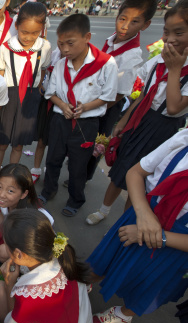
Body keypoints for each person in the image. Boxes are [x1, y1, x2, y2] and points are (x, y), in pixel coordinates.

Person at [87, 1, 188, 225]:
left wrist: (174, 70)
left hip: (163, 129)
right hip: (141, 118)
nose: (170, 39)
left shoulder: (176, 66)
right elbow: (143, 94)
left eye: (179, 32)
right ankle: (103, 210)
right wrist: (124, 119)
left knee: (140, 179)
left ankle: (124, 224)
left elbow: (173, 107)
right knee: (121, 167)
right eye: (166, 32)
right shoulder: (158, 59)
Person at [88, 128, 188, 323]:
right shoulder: (183, 138)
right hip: (143, 212)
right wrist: (143, 214)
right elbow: (136, 172)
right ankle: (82, 283)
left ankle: (123, 314)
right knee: (104, 260)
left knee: (149, 285)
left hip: (176, 242)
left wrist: (156, 236)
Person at [84, 0, 155, 225]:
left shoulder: (132, 54)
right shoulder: (110, 41)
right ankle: (81, 169)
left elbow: (121, 92)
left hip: (107, 107)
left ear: (145, 25)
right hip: (95, 100)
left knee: (98, 143)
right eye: (122, 19)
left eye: (134, 22)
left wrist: (96, 106)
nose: (125, 26)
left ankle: (85, 174)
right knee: (87, 140)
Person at [40, 14, 118, 217]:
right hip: (60, 119)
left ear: (87, 37)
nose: (64, 49)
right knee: (53, 159)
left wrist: (86, 107)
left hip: (87, 122)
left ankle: (76, 199)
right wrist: (63, 105)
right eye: (61, 43)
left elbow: (108, 97)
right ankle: (49, 189)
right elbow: (51, 93)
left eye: (70, 43)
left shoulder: (106, 64)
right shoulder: (60, 65)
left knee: (78, 165)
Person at [0, 209, 94, 323]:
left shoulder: (31, 295)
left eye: (7, 245)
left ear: (18, 254)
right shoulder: (63, 258)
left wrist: (9, 284)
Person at [0, 2, 52, 187]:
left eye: (35, 33)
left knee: (18, 144)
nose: (29, 37)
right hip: (9, 96)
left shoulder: (45, 47)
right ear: (16, 25)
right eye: (25, 32)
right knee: (2, 142)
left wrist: (39, 88)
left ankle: (11, 176)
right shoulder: (6, 48)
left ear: (42, 29)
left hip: (30, 98)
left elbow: (43, 70)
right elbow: (0, 74)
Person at [0, 163, 54, 263]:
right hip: (16, 233)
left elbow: (45, 239)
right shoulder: (7, 202)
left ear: (24, 194)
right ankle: (7, 240)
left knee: (2, 252)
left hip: (30, 247)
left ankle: (16, 263)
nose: (2, 195)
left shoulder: (36, 214)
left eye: (10, 191)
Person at [31, 47, 62, 184]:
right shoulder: (54, 54)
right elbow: (43, 71)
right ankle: (36, 169)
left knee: (56, 144)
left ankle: (51, 176)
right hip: (48, 102)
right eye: (61, 43)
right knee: (42, 139)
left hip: (64, 105)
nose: (64, 48)